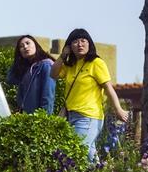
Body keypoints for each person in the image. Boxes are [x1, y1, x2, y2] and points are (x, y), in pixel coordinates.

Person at [51, 28, 129, 162]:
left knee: (79, 150)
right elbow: (53, 74)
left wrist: (118, 109)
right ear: (69, 46)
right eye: (75, 42)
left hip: (89, 116)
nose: (80, 44)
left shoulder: (96, 63)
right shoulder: (70, 65)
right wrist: (63, 56)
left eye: (83, 41)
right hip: (71, 116)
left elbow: (108, 88)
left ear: (89, 44)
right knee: (88, 153)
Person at [6, 35, 56, 114]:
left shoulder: (46, 65)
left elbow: (48, 94)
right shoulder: (27, 69)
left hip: (39, 118)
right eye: (21, 46)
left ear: (35, 44)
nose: (25, 47)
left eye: (27, 43)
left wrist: (44, 117)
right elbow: (10, 79)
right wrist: (18, 60)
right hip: (25, 116)